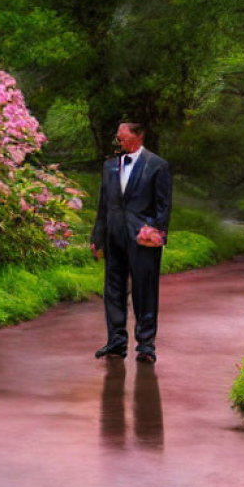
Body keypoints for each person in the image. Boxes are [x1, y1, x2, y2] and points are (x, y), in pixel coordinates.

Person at [90, 122, 172, 363]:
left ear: (138, 135)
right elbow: (103, 205)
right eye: (118, 138)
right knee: (113, 290)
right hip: (114, 236)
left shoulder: (157, 165)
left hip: (143, 239)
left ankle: (146, 346)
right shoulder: (109, 167)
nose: (119, 141)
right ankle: (116, 342)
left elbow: (163, 206)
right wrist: (97, 238)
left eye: (122, 137)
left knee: (144, 290)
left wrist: (157, 231)